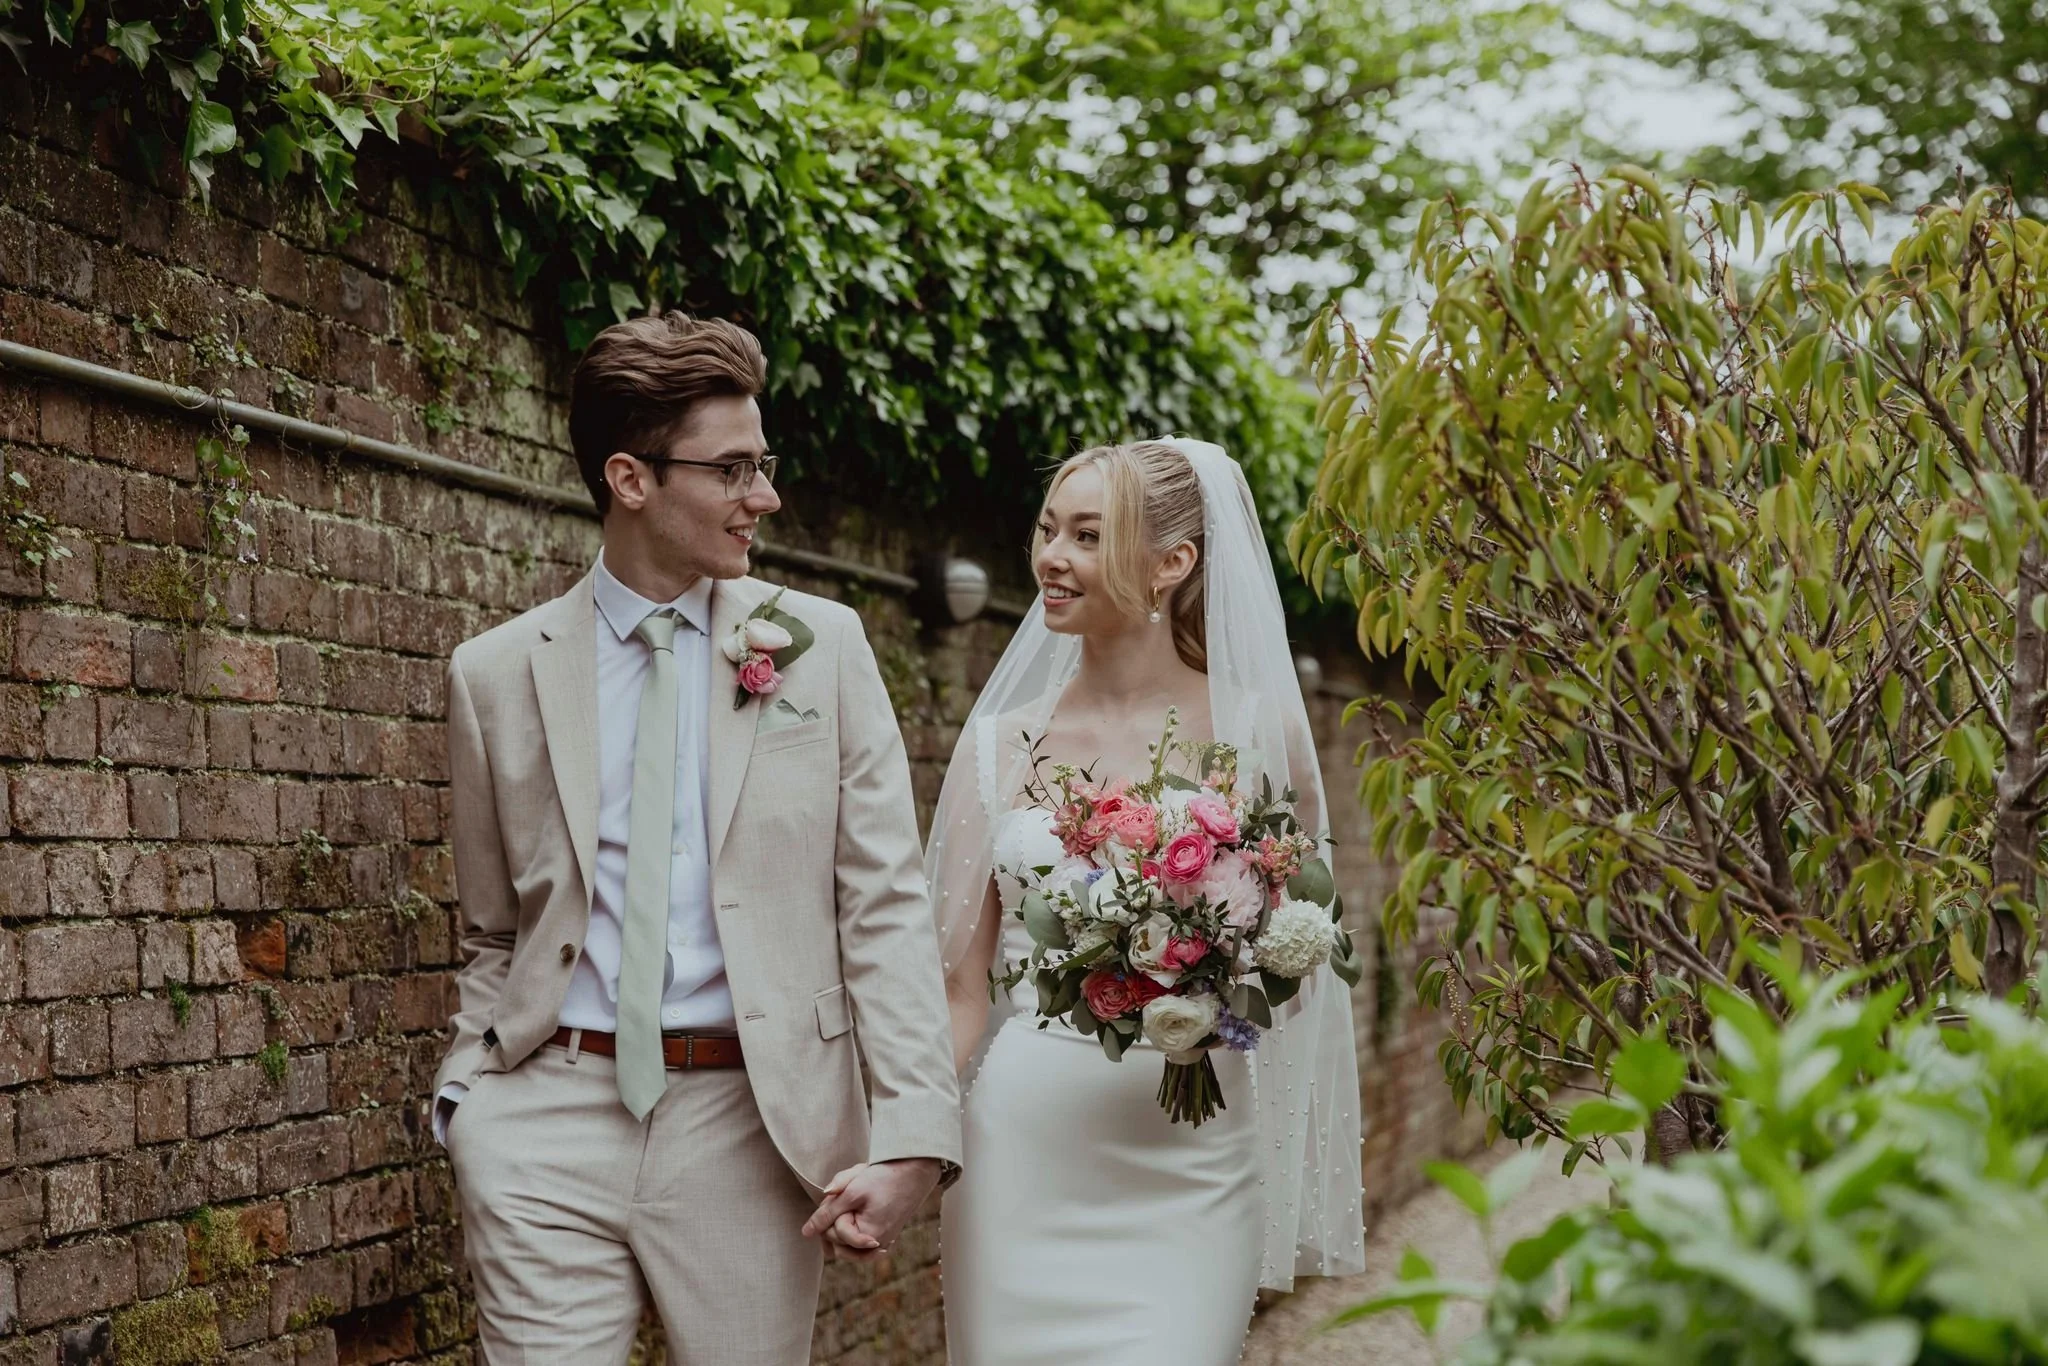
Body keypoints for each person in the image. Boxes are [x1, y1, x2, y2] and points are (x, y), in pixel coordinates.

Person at [433, 312, 962, 1363]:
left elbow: (885, 904)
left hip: (748, 1124)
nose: (761, 497)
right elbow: (493, 926)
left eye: (760, 465)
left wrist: (913, 1128)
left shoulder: (821, 649)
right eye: (730, 470)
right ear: (630, 479)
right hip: (545, 1114)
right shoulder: (493, 674)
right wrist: (469, 1100)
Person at [928, 438, 1365, 1364]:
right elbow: (960, 989)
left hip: (1193, 1164)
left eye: (1088, 535)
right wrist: (912, 1143)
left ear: (1174, 564)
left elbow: (1303, 938)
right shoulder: (999, 747)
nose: (1052, 556)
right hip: (1021, 1154)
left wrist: (1221, 1006)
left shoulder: (1263, 732)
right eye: (1049, 530)